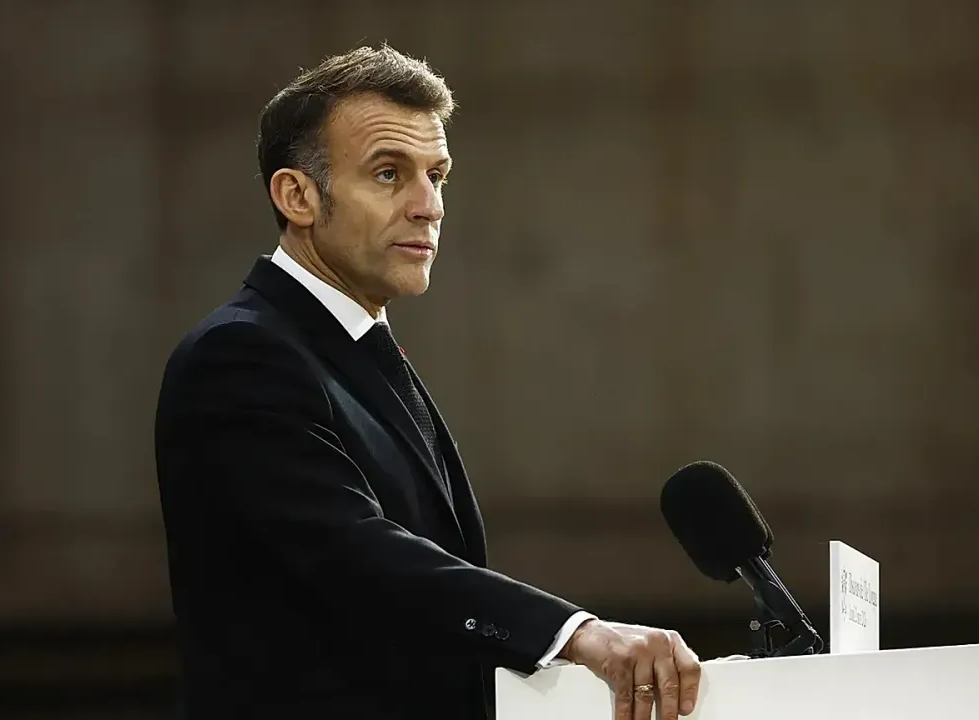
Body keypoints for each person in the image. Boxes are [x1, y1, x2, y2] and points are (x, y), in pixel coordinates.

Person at [153, 44, 702, 720]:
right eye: (388, 174)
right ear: (298, 196)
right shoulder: (240, 355)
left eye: (437, 175)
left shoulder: (350, 350)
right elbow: (354, 556)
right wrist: (576, 634)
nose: (429, 206)